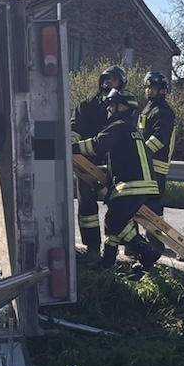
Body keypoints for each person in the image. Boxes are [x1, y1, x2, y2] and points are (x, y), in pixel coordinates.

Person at [73, 88, 161, 271]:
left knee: (114, 221)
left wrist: (69, 147)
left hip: (131, 187)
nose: (109, 109)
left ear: (124, 108)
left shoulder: (118, 126)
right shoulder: (132, 130)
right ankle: (107, 262)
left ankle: (147, 251)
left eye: (113, 105)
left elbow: (96, 145)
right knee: (114, 223)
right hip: (147, 186)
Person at [71, 64, 127, 255]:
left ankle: (124, 246)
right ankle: (92, 245)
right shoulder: (86, 106)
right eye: (106, 79)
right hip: (85, 164)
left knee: (120, 206)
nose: (109, 83)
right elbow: (74, 129)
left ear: (121, 84)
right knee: (86, 205)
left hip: (114, 166)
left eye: (114, 80)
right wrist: (71, 149)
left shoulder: (122, 108)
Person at [139, 71, 176, 227]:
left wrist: (139, 154)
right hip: (145, 163)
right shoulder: (149, 108)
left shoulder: (163, 111)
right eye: (148, 88)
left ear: (162, 90)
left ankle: (156, 242)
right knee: (140, 204)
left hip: (156, 166)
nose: (149, 91)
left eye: (153, 88)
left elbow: (159, 139)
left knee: (153, 206)